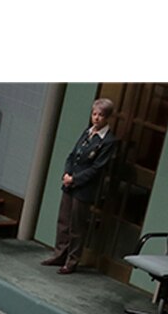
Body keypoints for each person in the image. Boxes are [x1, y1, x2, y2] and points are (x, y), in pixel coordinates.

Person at [44, 97, 118, 275]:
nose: (96, 118)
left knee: (77, 226)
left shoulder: (108, 141)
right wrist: (66, 174)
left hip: (84, 188)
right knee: (63, 222)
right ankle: (59, 254)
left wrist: (74, 179)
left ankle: (72, 261)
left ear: (107, 117)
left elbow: (97, 168)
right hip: (70, 184)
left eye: (100, 115)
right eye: (94, 114)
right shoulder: (88, 132)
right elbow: (72, 155)